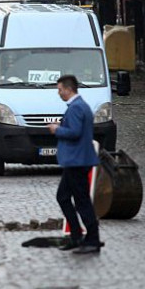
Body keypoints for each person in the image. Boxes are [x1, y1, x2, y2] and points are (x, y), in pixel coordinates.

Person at [46, 75, 102, 254]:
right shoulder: (79, 106)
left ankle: (91, 239)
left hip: (77, 161)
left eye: (60, 89)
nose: (58, 93)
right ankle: (77, 236)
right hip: (75, 161)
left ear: (69, 89)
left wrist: (57, 129)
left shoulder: (77, 107)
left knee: (81, 201)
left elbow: (75, 132)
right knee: (64, 197)